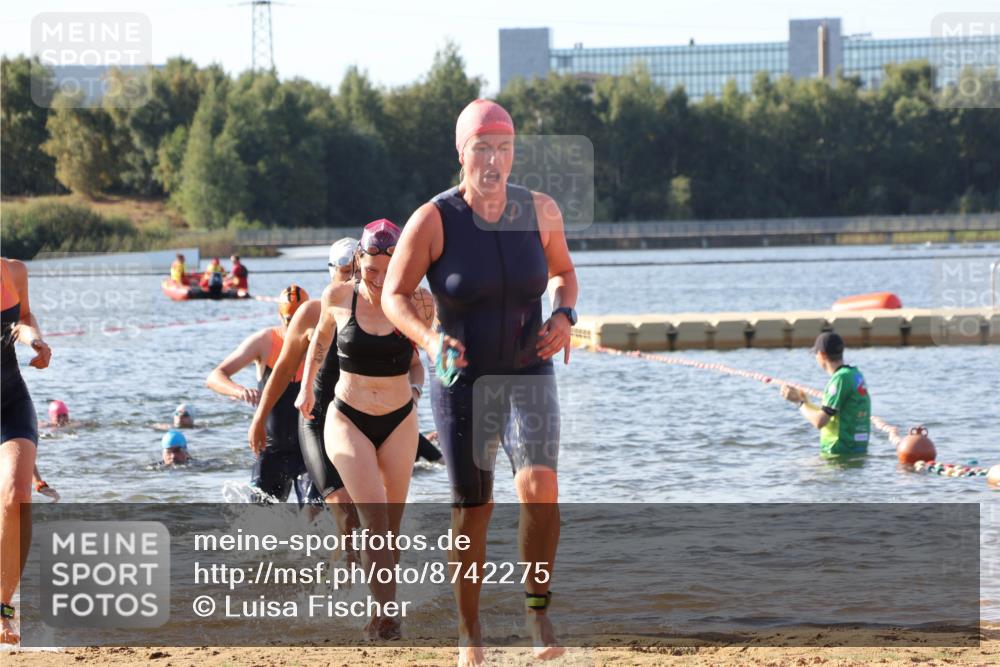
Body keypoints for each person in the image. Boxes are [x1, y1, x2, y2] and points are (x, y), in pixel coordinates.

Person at [382, 98, 578, 664]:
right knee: (474, 508)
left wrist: (564, 317)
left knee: (541, 489)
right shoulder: (434, 219)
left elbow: (565, 275)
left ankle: (537, 614)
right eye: (482, 148)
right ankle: (470, 632)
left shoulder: (540, 211)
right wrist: (427, 338)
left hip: (528, 371)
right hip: (461, 379)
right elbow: (394, 295)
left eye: (505, 148)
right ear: (461, 152)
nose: (493, 160)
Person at [297, 220, 435, 641]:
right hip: (347, 417)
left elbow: (427, 353)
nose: (372, 278)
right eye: (367, 268)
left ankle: (378, 608)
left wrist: (419, 386)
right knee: (373, 519)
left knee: (389, 527)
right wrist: (305, 390)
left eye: (382, 271)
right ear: (358, 260)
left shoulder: (419, 303)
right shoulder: (340, 295)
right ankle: (388, 616)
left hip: (399, 421)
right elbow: (319, 344)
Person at [207, 285, 319, 506]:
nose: (294, 325)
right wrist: (240, 391)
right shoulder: (265, 341)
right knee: (259, 520)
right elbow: (215, 377)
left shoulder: (319, 344)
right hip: (271, 450)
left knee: (316, 517)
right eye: (289, 319)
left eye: (300, 318)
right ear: (280, 316)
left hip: (310, 449)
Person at [1, 257, 54, 644]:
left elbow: (23, 316)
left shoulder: (13, 271)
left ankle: (2, 608)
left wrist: (34, 339)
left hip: (9, 403)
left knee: (17, 497)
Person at [781, 332, 872, 457]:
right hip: (857, 450)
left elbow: (819, 421)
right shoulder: (855, 374)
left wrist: (799, 402)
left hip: (838, 453)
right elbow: (832, 414)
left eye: (816, 354)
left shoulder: (840, 379)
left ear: (822, 355)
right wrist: (806, 401)